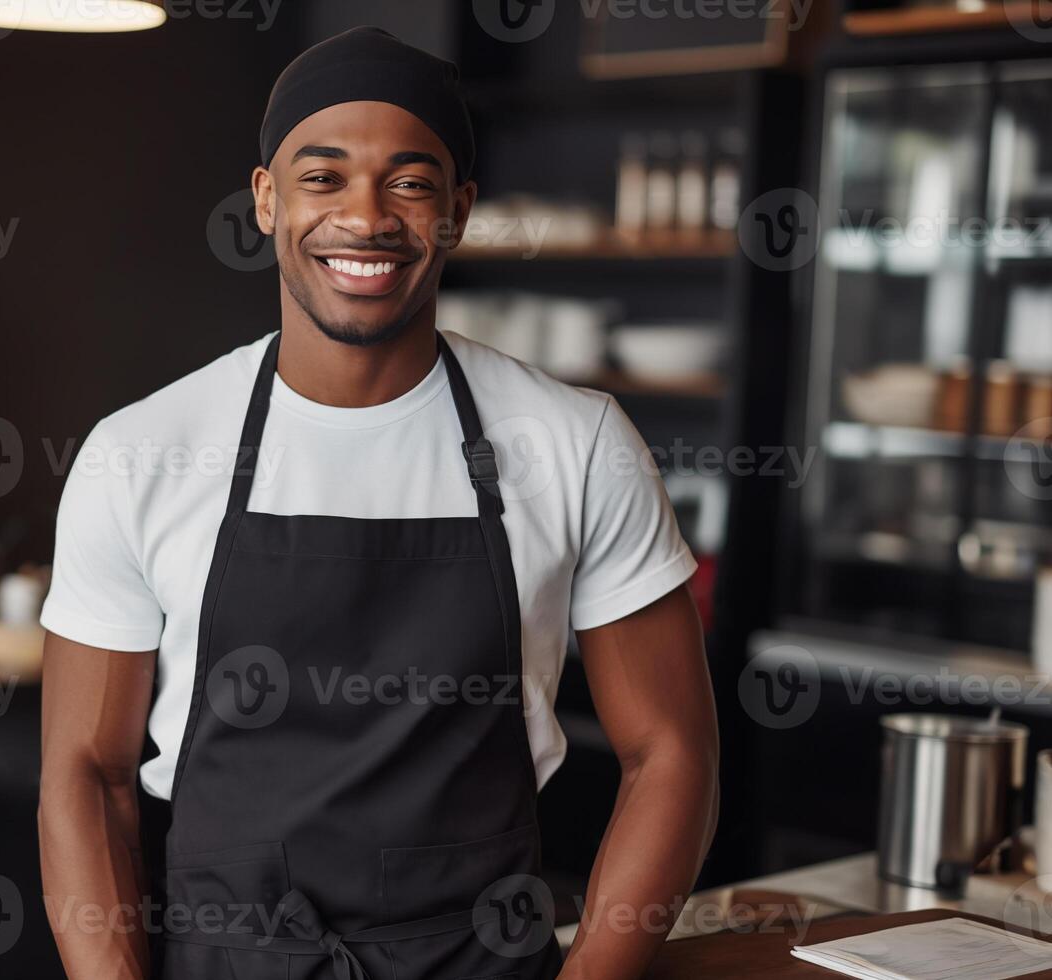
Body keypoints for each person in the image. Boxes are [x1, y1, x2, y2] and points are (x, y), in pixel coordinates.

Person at [38, 25, 719, 980]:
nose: (366, 216)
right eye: (323, 178)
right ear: (266, 198)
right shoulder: (141, 450)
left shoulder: (578, 442)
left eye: (409, 181)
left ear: (458, 211)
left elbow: (671, 753)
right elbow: (87, 772)